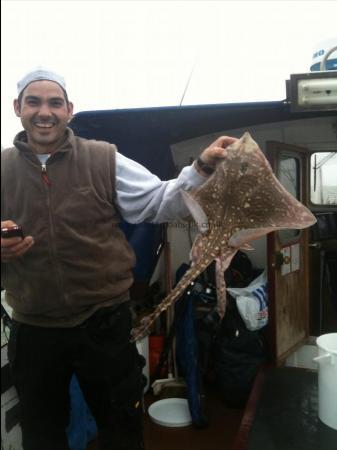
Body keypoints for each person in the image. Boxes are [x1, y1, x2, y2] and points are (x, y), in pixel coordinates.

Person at [1, 67, 237, 450]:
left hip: (102, 322)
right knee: (41, 433)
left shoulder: (103, 159)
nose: (45, 112)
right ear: (18, 108)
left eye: (55, 103)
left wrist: (202, 169)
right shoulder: (2, 168)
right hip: (34, 329)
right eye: (34, 102)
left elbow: (161, 202)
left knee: (121, 426)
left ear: (69, 110)